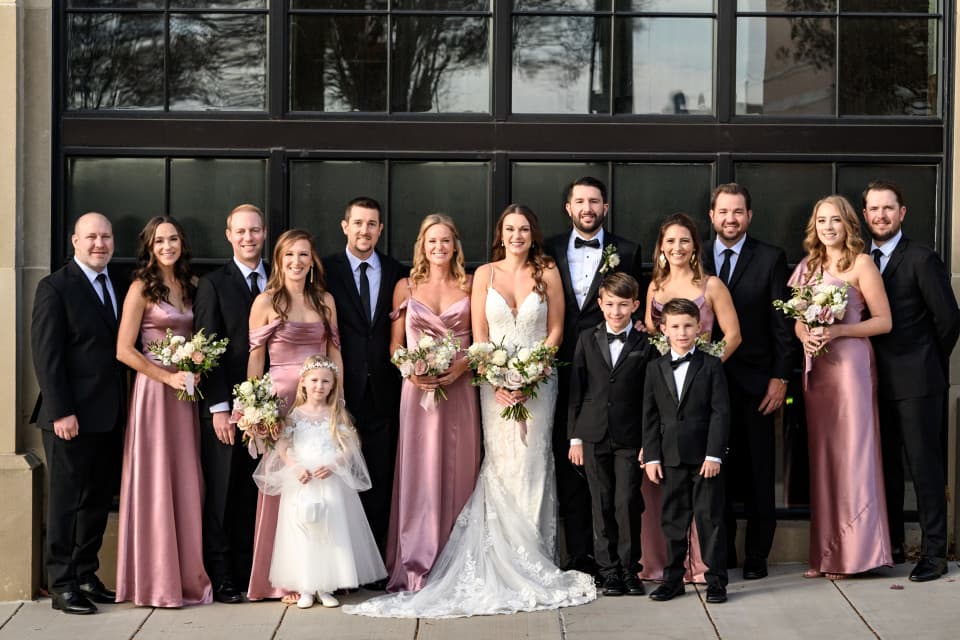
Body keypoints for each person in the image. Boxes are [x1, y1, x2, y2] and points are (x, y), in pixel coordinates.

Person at [343, 204, 596, 618]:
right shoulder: (483, 275)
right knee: (498, 463)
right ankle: (474, 554)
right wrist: (497, 378)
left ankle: (532, 556)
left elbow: (556, 330)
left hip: (537, 383)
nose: (517, 235)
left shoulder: (546, 272)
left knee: (532, 464)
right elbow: (480, 335)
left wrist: (530, 374)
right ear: (500, 233)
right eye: (510, 229)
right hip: (489, 383)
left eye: (524, 229)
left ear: (533, 233)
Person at [545, 176, 644, 576]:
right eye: (580, 201)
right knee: (569, 461)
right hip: (555, 367)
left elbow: (636, 310)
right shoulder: (548, 249)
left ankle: (619, 561)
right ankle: (580, 554)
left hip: (609, 372)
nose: (587, 208)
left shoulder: (629, 250)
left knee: (614, 476)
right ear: (568, 207)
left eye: (595, 201)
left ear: (605, 207)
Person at [791, 195, 893, 580]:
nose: (828, 227)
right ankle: (827, 554)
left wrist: (837, 330)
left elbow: (883, 322)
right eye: (821, 220)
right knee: (824, 459)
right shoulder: (809, 266)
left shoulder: (861, 264)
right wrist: (806, 336)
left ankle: (858, 555)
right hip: (818, 370)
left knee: (854, 456)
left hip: (851, 368)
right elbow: (798, 320)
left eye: (835, 220)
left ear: (849, 223)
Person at [862, 181, 960, 582]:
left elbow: (949, 320)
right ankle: (894, 546)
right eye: (873, 209)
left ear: (902, 213)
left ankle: (934, 554)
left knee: (925, 470)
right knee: (882, 469)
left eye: (888, 208)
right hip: (871, 383)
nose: (881, 216)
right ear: (865, 215)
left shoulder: (920, 258)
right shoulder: (859, 259)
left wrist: (927, 366)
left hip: (918, 383)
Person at [31, 212, 126, 615]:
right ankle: (62, 583)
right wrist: (62, 411)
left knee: (97, 501)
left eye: (105, 237)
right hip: (69, 419)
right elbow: (47, 356)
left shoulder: (118, 284)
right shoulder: (55, 287)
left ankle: (86, 573)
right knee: (66, 502)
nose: (99, 244)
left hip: (109, 416)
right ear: (74, 241)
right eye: (91, 237)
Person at [115, 216, 212, 607]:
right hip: (155, 395)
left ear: (182, 243)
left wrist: (196, 367)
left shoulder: (192, 286)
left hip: (186, 393)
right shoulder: (141, 287)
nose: (167, 246)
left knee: (187, 478)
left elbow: (202, 336)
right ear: (150, 248)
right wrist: (165, 378)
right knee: (156, 478)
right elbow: (124, 349)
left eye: (173, 239)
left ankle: (187, 574)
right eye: (159, 241)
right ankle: (155, 579)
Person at [703, 184, 797, 579]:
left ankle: (757, 556)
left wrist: (781, 377)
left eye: (738, 211)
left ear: (749, 216)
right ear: (712, 215)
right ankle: (720, 555)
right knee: (714, 472)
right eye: (724, 211)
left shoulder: (771, 258)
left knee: (760, 473)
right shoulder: (695, 256)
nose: (730, 219)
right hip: (708, 386)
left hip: (758, 383)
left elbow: (782, 326)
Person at [641, 212, 740, 583]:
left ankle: (707, 570)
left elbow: (733, 335)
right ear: (661, 248)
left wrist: (702, 369)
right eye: (670, 241)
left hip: (702, 397)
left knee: (707, 503)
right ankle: (667, 570)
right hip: (666, 405)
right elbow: (654, 339)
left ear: (695, 246)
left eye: (684, 241)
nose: (677, 248)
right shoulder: (654, 287)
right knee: (670, 503)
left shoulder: (711, 285)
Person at [384, 214, 481, 592]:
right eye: (431, 241)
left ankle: (455, 558)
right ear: (421, 246)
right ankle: (416, 559)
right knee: (419, 470)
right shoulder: (405, 286)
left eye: (445, 241)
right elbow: (394, 344)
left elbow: (481, 339)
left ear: (455, 245)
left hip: (460, 388)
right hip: (417, 391)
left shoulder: (470, 285)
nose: (438, 247)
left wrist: (460, 366)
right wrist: (409, 369)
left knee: (458, 469)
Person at [246, 229, 343, 602]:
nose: (297, 262)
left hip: (318, 397)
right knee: (284, 485)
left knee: (320, 485)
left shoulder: (325, 301)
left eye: (304, 255)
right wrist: (252, 405)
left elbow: (335, 353)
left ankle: (319, 575)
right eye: (289, 256)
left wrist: (339, 400)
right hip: (279, 401)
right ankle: (283, 580)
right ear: (279, 260)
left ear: (312, 260)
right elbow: (256, 356)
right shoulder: (266, 301)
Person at [253, 356, 387, 609]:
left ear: (333, 385)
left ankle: (326, 586)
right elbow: (282, 445)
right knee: (303, 532)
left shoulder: (336, 413)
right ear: (303, 383)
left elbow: (350, 445)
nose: (319, 386)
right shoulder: (294, 415)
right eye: (314, 380)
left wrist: (336, 464)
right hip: (302, 481)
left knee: (330, 532)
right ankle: (305, 587)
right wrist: (294, 466)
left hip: (330, 482)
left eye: (326, 381)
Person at [322, 197, 404, 563]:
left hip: (384, 391)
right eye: (358, 223)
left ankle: (373, 565)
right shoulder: (324, 269)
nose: (364, 230)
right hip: (338, 390)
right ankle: (341, 564)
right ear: (345, 226)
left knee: (379, 480)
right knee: (337, 480)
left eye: (372, 224)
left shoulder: (396, 271)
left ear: (380, 229)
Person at [194, 204, 268, 603]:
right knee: (224, 494)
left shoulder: (279, 277)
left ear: (264, 232)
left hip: (271, 410)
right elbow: (207, 349)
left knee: (258, 493)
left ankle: (251, 571)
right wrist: (219, 408)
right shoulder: (213, 284)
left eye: (254, 230)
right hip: (227, 410)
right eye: (240, 231)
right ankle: (222, 576)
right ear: (228, 235)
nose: (248, 238)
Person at [567, 272, 653, 597]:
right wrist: (574, 438)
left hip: (630, 437)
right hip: (592, 433)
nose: (616, 311)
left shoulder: (645, 344)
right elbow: (577, 389)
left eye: (623, 305)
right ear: (600, 304)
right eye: (610, 304)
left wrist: (649, 442)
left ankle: (631, 570)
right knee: (600, 503)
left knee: (627, 502)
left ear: (635, 305)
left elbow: (650, 397)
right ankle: (609, 571)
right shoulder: (587, 338)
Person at [642, 297, 730, 604]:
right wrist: (652, 456)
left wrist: (714, 454)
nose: (682, 332)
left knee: (710, 519)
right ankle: (672, 580)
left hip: (705, 458)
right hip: (670, 457)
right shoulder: (654, 368)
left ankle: (716, 580)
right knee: (673, 519)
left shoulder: (711, 365)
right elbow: (650, 415)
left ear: (700, 328)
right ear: (663, 329)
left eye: (688, 326)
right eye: (675, 326)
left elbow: (721, 413)